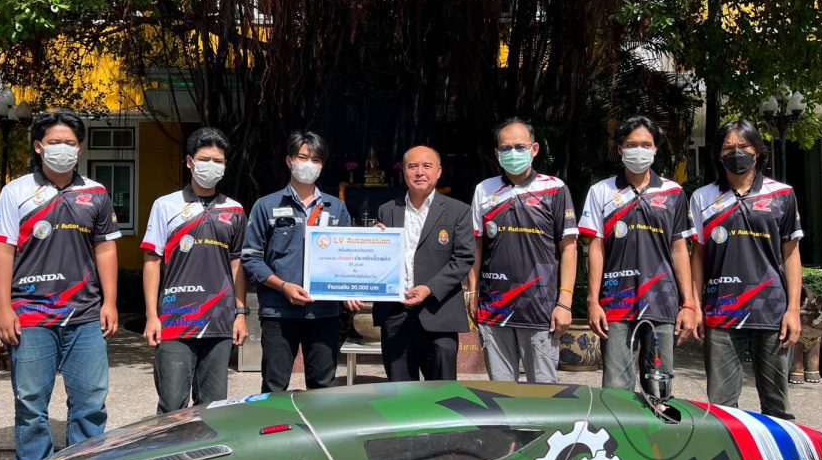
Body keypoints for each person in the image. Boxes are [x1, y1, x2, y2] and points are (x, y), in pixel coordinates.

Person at [0, 109, 121, 460]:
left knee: (91, 402)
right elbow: (3, 250)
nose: (63, 148)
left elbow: (105, 248)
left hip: (85, 315)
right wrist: (3, 308)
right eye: (54, 141)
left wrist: (110, 302)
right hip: (30, 315)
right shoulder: (16, 192)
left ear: (80, 148)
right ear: (38, 146)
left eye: (70, 142)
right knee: (31, 404)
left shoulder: (95, 193)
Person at [689, 119, 802, 419]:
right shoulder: (702, 198)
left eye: (743, 146)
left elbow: (791, 255)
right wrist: (695, 306)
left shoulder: (782, 195)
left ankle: (781, 451)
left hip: (772, 313)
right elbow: (697, 256)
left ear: (758, 152)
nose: (736, 153)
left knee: (778, 407)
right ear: (718, 154)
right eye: (728, 148)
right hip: (721, 312)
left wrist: (793, 310)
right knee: (721, 409)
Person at [579, 116, 697, 391]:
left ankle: (658, 420)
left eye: (646, 144)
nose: (639, 150)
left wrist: (689, 304)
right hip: (616, 302)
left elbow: (680, 249)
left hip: (662, 302)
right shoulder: (601, 191)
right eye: (632, 145)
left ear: (656, 148)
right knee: (616, 390)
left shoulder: (673, 192)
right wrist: (593, 300)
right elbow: (596, 247)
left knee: (660, 388)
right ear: (620, 148)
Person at [141, 127, 249, 413]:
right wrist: (151, 316)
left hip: (219, 320)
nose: (211, 166)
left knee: (214, 408)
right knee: (172, 406)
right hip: (175, 319)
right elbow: (152, 260)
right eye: (204, 159)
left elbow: (237, 263)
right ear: (190, 161)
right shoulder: (166, 205)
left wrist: (240, 314)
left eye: (218, 161)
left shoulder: (235, 210)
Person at [241, 131, 359, 392]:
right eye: (302, 157)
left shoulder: (336, 208)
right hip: (279, 312)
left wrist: (352, 287)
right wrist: (283, 286)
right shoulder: (266, 206)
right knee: (274, 387)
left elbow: (348, 257)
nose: (308, 164)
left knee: (323, 387)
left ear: (322, 165)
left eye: (315, 160)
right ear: (289, 161)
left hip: (324, 312)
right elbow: (251, 258)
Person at [467, 117, 578, 383]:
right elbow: (476, 244)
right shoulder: (484, 189)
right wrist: (472, 291)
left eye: (520, 147)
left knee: (543, 393)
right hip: (495, 309)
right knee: (501, 393)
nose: (513, 153)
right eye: (506, 148)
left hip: (540, 311)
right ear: (497, 153)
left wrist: (564, 302)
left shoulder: (554, 188)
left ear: (534, 149)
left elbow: (569, 248)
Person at [372, 146, 475, 381]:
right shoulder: (387, 210)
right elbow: (378, 260)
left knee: (442, 394)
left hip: (439, 314)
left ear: (438, 172)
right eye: (413, 166)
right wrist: (374, 242)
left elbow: (463, 258)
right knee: (399, 393)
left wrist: (429, 289)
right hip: (395, 316)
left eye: (427, 166)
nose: (420, 172)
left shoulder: (458, 211)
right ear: (404, 172)